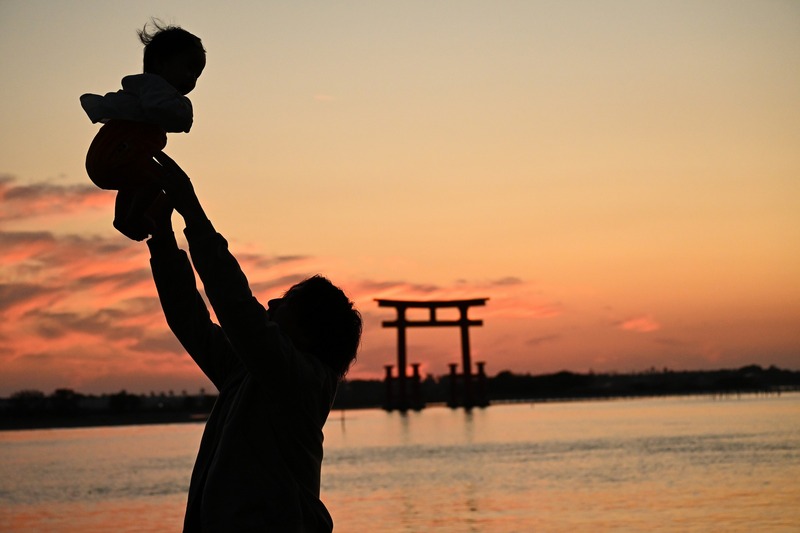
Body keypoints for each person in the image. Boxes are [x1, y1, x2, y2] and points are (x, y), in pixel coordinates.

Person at [138, 152, 362, 531]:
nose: (271, 303)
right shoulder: (249, 371)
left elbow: (237, 307)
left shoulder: (303, 380)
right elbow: (191, 322)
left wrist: (191, 210)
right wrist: (161, 237)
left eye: (286, 302)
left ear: (309, 331)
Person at [80, 21, 206, 241]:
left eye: (197, 74)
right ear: (161, 63)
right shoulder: (154, 86)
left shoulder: (148, 89)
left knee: (136, 180)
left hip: (115, 156)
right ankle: (134, 216)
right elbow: (160, 110)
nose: (191, 78)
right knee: (158, 178)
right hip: (117, 152)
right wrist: (183, 113)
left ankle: (124, 218)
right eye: (188, 68)